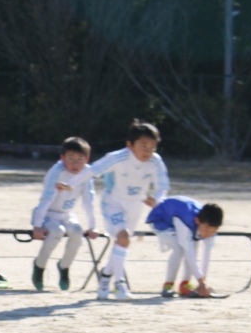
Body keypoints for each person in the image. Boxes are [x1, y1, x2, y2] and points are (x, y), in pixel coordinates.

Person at [90, 119, 171, 300]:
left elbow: (162, 186)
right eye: (143, 145)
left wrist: (157, 200)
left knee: (121, 242)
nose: (148, 150)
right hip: (113, 202)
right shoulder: (118, 157)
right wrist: (71, 184)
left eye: (152, 146)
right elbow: (91, 171)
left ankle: (105, 276)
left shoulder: (155, 161)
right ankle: (120, 285)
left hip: (135, 205)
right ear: (130, 145)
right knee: (123, 238)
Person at [30, 137, 98, 291]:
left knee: (77, 232)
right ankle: (39, 266)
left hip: (67, 215)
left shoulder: (87, 173)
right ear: (62, 158)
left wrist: (92, 226)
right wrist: (37, 225)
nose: (75, 163)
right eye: (71, 158)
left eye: (79, 159)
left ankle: (64, 267)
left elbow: (89, 201)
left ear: (86, 159)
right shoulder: (56, 171)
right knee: (57, 232)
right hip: (48, 214)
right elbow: (46, 198)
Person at [146, 196, 223, 298]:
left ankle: (185, 285)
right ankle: (168, 285)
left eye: (213, 231)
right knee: (179, 250)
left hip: (179, 217)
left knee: (194, 246)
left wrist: (203, 282)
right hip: (161, 219)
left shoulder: (209, 227)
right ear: (197, 221)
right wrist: (201, 283)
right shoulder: (186, 222)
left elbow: (207, 253)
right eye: (206, 230)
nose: (209, 234)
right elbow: (188, 252)